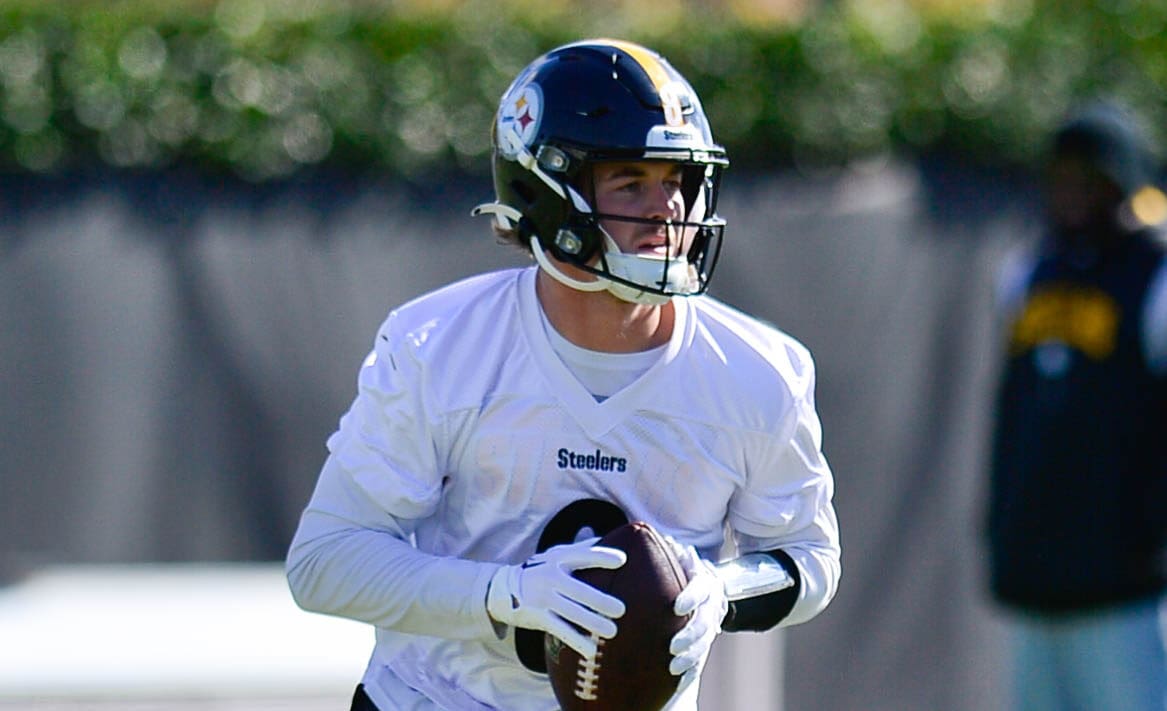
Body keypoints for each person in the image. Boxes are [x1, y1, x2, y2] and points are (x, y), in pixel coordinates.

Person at [286, 38, 841, 711]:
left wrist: (721, 592)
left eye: (677, 182)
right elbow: (324, 561)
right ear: (544, 192)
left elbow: (806, 556)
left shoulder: (758, 371)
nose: (667, 210)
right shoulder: (438, 344)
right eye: (631, 182)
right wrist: (501, 595)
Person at [987, 101, 1167, 710]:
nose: (1071, 191)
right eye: (1060, 174)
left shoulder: (1156, 275)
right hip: (1038, 581)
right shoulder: (1027, 271)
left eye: (1088, 175)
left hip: (1130, 591)